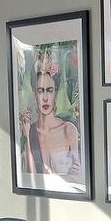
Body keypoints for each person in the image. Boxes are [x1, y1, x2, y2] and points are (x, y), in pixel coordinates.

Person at [19, 48, 82, 182]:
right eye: (40, 91)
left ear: (56, 93)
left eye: (49, 90)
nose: (45, 98)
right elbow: (30, 178)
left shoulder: (68, 129)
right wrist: (28, 136)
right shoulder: (30, 131)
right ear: (35, 94)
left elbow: (78, 176)